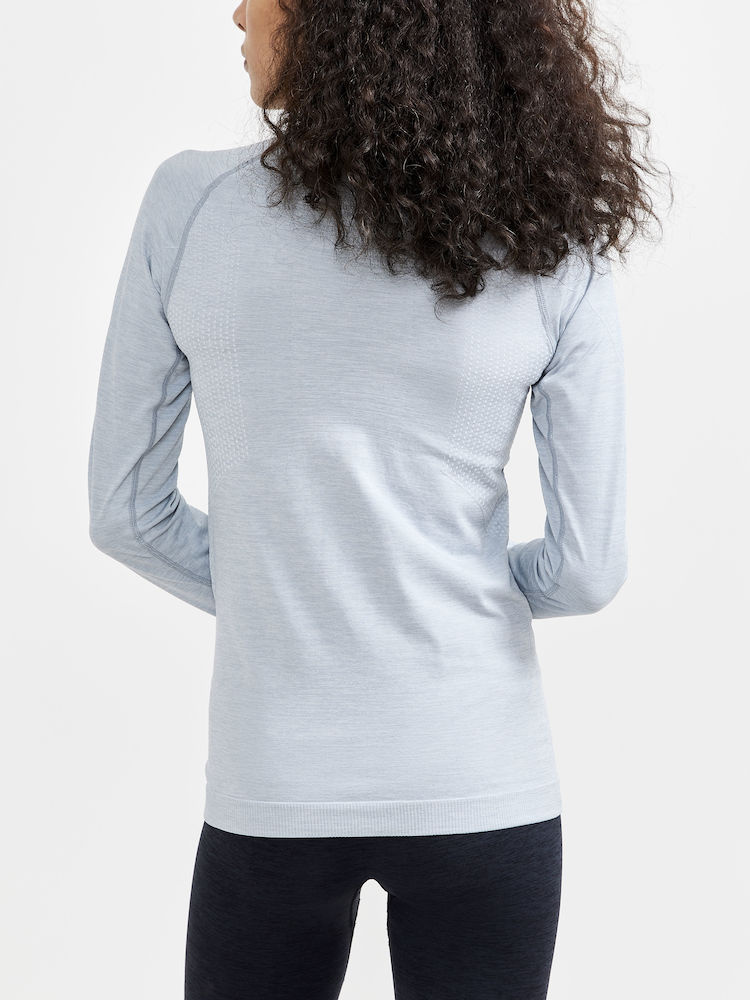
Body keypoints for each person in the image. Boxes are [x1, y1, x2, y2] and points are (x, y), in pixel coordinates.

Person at [87, 0, 669, 996]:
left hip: (273, 784)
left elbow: (125, 514)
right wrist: (444, 591)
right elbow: (588, 569)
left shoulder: (192, 206)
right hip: (483, 781)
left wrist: (295, 592)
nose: (237, 11)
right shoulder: (550, 232)